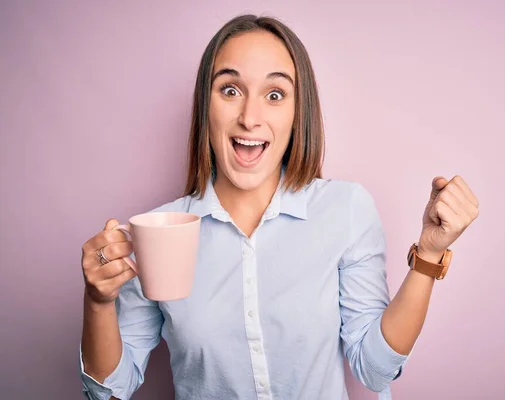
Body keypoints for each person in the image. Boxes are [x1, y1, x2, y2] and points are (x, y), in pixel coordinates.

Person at [79, 14, 479, 400]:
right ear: (206, 105)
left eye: (274, 94)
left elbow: (374, 370)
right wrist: (98, 302)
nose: (250, 117)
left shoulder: (345, 210)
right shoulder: (159, 232)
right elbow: (109, 392)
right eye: (230, 90)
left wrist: (428, 256)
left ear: (297, 112)